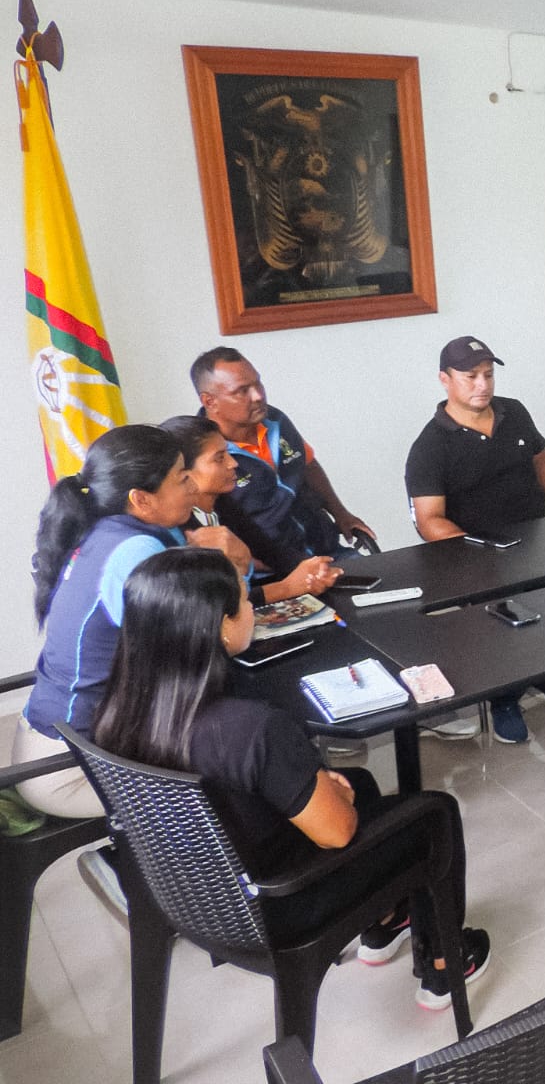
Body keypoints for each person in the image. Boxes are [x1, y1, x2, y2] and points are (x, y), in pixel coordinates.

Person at [92, 548, 491, 1009]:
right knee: (434, 813)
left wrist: (321, 784)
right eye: (245, 601)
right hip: (278, 904)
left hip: (200, 895)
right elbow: (337, 833)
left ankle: (383, 923)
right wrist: (332, 798)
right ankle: (444, 964)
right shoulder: (250, 727)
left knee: (359, 782)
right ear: (221, 626)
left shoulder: (118, 714)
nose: (252, 609)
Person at [13, 424, 249, 819]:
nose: (193, 486)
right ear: (141, 499)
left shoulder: (112, 530)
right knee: (239, 776)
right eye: (182, 478)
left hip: (60, 739)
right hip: (70, 768)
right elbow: (211, 639)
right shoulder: (135, 551)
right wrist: (236, 563)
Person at [403, 335, 545, 743]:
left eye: (488, 374)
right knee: (497, 625)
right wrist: (481, 553)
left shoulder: (514, 412)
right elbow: (429, 520)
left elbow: (541, 459)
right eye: (471, 376)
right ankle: (504, 698)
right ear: (445, 380)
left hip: (533, 538)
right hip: (475, 557)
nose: (482, 385)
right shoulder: (430, 445)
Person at [191, 347, 373, 564]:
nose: (258, 396)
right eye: (242, 391)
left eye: (258, 383)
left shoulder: (276, 420)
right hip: (274, 570)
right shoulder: (202, 452)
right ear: (209, 401)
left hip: (327, 551)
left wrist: (341, 513)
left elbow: (308, 465)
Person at [160, 415, 343, 604]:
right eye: (220, 458)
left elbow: (271, 551)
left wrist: (314, 570)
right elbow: (216, 604)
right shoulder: (176, 529)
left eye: (228, 453)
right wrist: (287, 587)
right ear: (184, 472)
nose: (233, 463)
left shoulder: (223, 502)